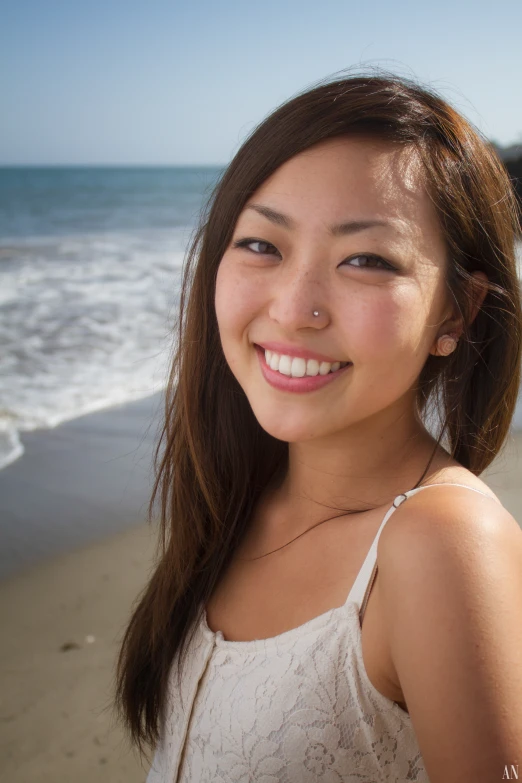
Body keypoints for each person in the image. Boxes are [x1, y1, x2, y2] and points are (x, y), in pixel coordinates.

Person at [114, 70, 522, 782]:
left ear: (456, 312)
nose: (295, 307)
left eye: (365, 259)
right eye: (263, 246)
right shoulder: (243, 493)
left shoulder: (441, 544)